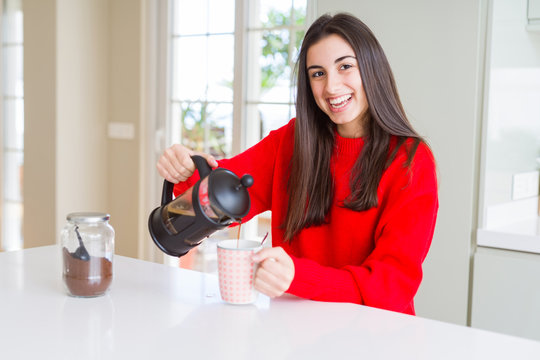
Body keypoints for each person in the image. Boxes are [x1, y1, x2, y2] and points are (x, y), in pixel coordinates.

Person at [157, 13, 439, 315]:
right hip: (292, 330)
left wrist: (298, 277)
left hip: (374, 335)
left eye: (345, 66)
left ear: (372, 69)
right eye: (318, 74)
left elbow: (391, 285)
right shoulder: (292, 141)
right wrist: (187, 170)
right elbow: (228, 188)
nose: (331, 87)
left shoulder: (411, 161)